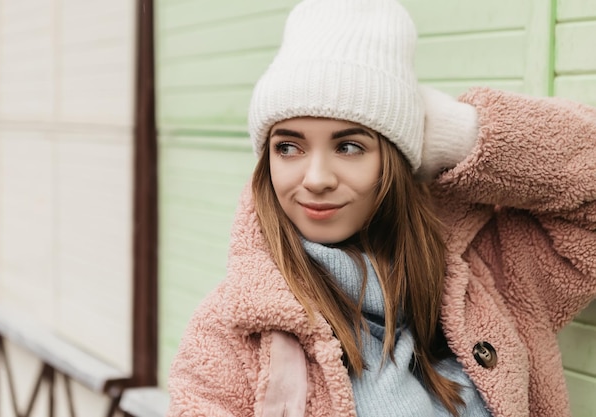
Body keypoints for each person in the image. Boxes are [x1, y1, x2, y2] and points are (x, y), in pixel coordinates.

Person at [166, 0, 596, 416]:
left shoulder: (485, 276)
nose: (316, 178)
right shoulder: (232, 335)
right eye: (288, 146)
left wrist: (461, 135)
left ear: (393, 162)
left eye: (349, 145)